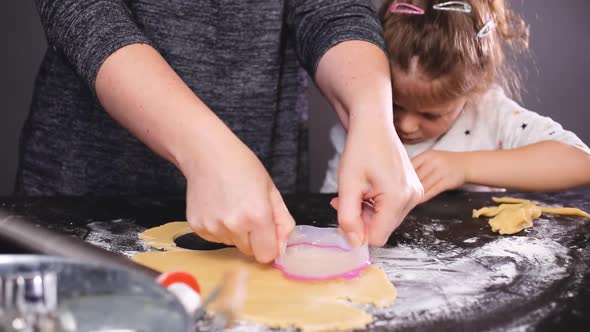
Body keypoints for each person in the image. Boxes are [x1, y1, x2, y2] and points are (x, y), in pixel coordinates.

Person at [18, 1, 423, 263]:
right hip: (86, 197)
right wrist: (202, 148)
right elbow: (82, 10)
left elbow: (330, 8)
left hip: (255, 213)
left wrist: (373, 115)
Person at [322, 0, 590, 202]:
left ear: (471, 90)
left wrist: (464, 167)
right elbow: (329, 205)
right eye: (394, 104)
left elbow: (581, 162)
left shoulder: (489, 116)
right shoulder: (360, 121)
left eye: (431, 115)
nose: (407, 124)